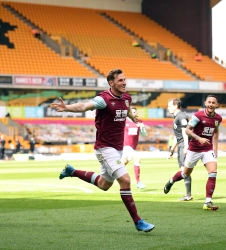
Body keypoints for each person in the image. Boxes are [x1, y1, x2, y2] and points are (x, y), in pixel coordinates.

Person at [51, 68, 155, 232]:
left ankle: (72, 171)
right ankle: (138, 221)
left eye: (125, 79)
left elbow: (126, 109)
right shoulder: (103, 99)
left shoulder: (127, 98)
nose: (124, 83)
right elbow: (85, 106)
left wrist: (133, 118)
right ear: (111, 83)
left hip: (117, 148)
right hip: (105, 148)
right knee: (126, 180)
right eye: (120, 80)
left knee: (103, 184)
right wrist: (67, 108)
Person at [164, 95, 222, 210]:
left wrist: (215, 148)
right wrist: (199, 139)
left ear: (216, 105)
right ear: (205, 103)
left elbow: (215, 132)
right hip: (194, 149)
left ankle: (208, 202)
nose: (211, 104)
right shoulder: (198, 116)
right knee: (185, 174)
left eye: (213, 103)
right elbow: (187, 130)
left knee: (213, 172)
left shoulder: (218, 118)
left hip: (208, 149)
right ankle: (171, 181)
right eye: (209, 102)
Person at [167, 98, 192, 201]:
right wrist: (172, 150)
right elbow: (177, 136)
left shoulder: (181, 116)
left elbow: (185, 133)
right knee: (184, 170)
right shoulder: (176, 117)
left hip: (184, 146)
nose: (168, 108)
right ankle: (187, 194)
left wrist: (186, 146)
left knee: (184, 170)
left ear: (175, 106)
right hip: (181, 145)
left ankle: (187, 194)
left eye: (169, 106)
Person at [122, 106, 147, 189]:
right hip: (125, 146)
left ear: (136, 113)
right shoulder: (124, 121)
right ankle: (138, 182)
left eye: (134, 112)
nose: (133, 113)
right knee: (137, 159)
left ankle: (107, 177)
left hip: (132, 147)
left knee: (121, 165)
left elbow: (144, 135)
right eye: (131, 112)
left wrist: (143, 128)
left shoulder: (139, 122)